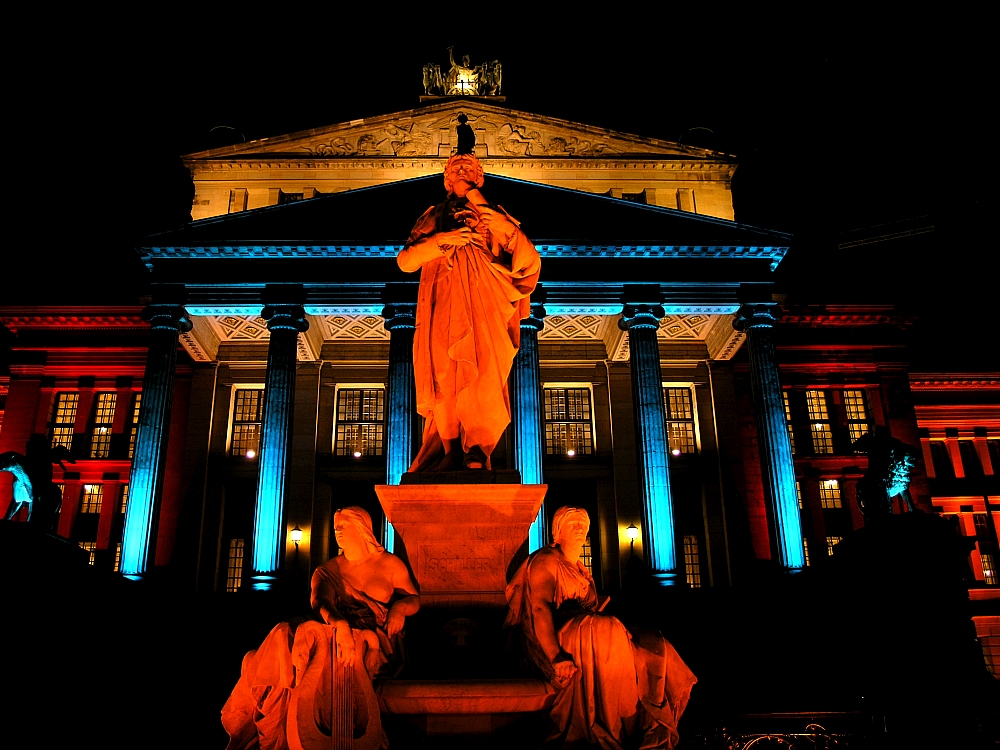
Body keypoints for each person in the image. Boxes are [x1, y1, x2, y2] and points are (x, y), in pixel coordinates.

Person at [222, 507, 420, 750]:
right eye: (336, 526)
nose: (337, 531)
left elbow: (413, 597)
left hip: (375, 636)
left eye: (343, 525)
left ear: (362, 528)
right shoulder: (328, 570)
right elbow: (320, 602)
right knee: (285, 633)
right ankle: (273, 722)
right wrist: (339, 623)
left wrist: (400, 609)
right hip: (335, 628)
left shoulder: (389, 564)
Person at [505, 507, 697, 749]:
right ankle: (613, 728)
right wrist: (555, 656)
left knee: (653, 643)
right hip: (554, 636)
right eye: (573, 524)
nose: (580, 529)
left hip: (587, 631)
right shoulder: (546, 560)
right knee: (607, 629)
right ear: (557, 532)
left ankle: (652, 724)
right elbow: (539, 610)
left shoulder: (581, 570)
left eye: (583, 525)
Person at [397, 150, 541, 472]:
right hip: (444, 297)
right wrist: (443, 239)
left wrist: (502, 224)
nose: (463, 170)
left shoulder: (493, 214)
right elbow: (405, 260)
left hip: (485, 296)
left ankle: (477, 448)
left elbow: (526, 257)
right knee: (444, 372)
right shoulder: (434, 215)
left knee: (483, 370)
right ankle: (449, 449)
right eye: (456, 167)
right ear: (446, 179)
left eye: (469, 167)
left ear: (480, 177)